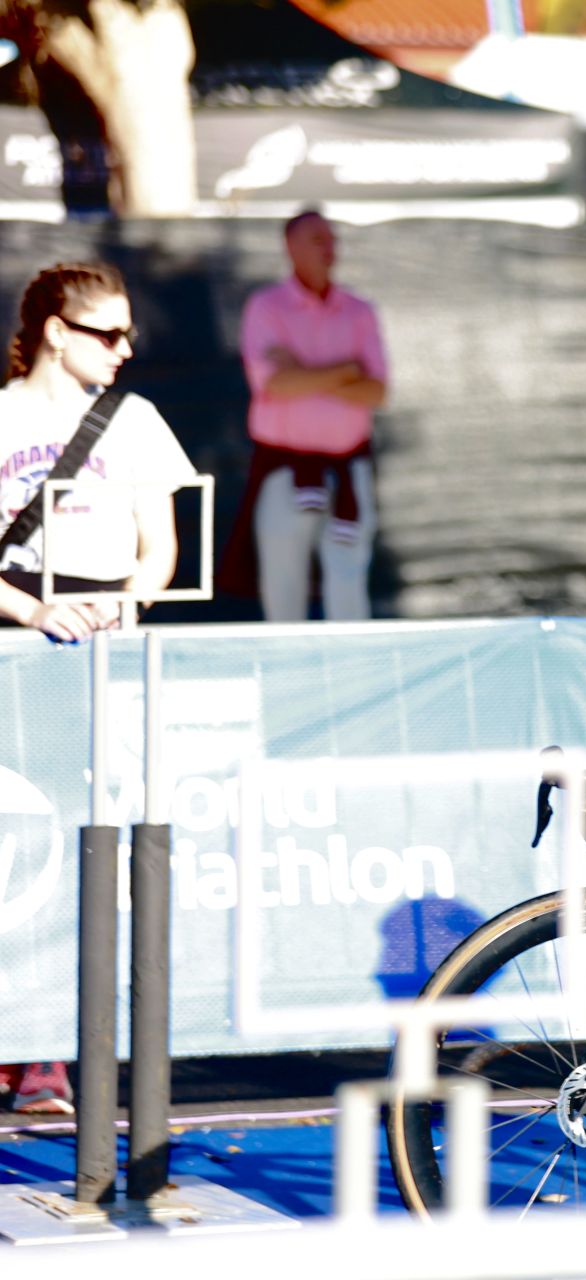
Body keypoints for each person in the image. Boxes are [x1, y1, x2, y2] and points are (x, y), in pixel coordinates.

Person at [0, 259, 197, 1112]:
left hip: (101, 665)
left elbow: (160, 552)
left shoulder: (137, 420)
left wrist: (124, 603)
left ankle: (46, 1054)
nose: (123, 350)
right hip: (15, 648)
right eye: (107, 332)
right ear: (55, 330)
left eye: (129, 335)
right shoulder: (2, 418)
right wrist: (30, 611)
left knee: (81, 855)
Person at [221, 208, 387, 621]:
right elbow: (273, 384)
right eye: (318, 239)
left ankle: (354, 677)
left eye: (332, 239)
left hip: (349, 468)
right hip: (285, 469)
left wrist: (302, 369)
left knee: (348, 582)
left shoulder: (359, 310)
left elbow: (376, 390)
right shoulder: (266, 307)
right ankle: (288, 679)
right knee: (283, 584)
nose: (329, 249)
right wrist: (345, 371)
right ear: (290, 247)